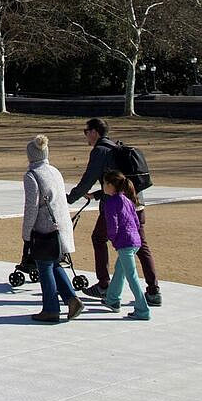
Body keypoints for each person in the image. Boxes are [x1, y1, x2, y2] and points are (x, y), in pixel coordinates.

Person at [67, 118, 160, 306]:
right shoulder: (117, 149)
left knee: (98, 238)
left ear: (94, 132)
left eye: (86, 132)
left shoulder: (100, 151)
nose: (86, 135)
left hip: (117, 207)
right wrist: (99, 194)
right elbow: (121, 181)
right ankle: (154, 291)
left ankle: (104, 285)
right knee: (141, 245)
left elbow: (88, 179)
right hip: (136, 203)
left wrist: (68, 199)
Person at [21, 134, 83, 323]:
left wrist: (26, 232)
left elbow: (31, 206)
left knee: (44, 266)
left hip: (44, 228)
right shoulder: (54, 171)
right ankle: (71, 299)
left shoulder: (32, 176)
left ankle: (51, 308)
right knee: (54, 262)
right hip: (61, 225)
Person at [99, 171, 152, 319]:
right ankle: (113, 300)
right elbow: (136, 221)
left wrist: (114, 239)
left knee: (131, 275)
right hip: (134, 241)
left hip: (125, 243)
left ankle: (143, 309)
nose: (102, 186)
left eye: (104, 183)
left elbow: (112, 225)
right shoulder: (128, 200)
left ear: (110, 185)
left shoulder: (110, 202)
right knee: (120, 270)